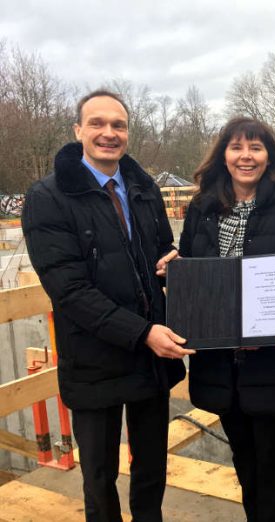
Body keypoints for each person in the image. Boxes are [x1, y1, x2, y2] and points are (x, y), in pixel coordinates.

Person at [21, 89, 193, 522]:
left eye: (118, 125)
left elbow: (159, 250)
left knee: (151, 466)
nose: (108, 133)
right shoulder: (48, 198)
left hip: (148, 360)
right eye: (97, 123)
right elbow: (70, 290)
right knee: (99, 476)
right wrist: (142, 333)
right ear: (78, 130)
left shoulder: (144, 188)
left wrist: (174, 266)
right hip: (95, 359)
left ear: (127, 133)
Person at [157, 117, 275, 522]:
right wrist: (173, 275)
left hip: (274, 363)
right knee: (245, 461)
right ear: (223, 155)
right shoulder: (201, 208)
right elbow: (190, 265)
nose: (246, 156)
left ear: (270, 156)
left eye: (256, 147)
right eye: (236, 147)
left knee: (273, 461)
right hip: (219, 366)